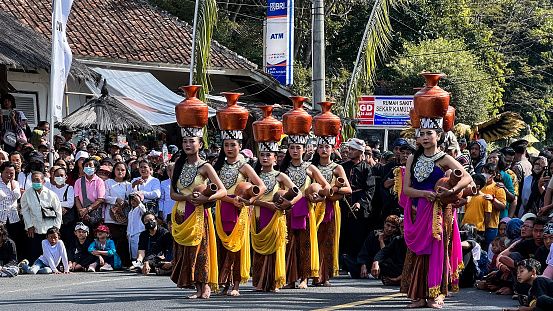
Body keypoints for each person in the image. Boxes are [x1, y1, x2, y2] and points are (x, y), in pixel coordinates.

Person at [401, 121, 472, 308]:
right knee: (419, 252)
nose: (424, 137)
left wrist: (452, 191)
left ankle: (436, 294)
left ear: (438, 136)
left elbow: (467, 177)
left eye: (429, 133)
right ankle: (419, 295)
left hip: (439, 211)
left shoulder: (444, 158)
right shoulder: (412, 159)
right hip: (418, 209)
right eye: (421, 134)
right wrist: (424, 194)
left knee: (437, 252)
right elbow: (407, 190)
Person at [170, 127, 226, 299]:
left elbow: (222, 191)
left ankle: (205, 287)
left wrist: (204, 199)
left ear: (200, 144)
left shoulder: (206, 166)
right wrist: (187, 197)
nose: (188, 144)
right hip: (181, 213)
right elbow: (173, 194)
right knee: (186, 252)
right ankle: (195, 286)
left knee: (200, 251)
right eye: (185, 141)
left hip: (199, 214)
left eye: (191, 141)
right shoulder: (177, 164)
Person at [212, 128, 266, 296]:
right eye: (226, 145)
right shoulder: (218, 166)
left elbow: (261, 186)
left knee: (237, 247)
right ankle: (225, 284)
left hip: (238, 209)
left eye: (233, 145)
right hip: (222, 208)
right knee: (222, 246)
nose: (229, 148)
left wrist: (249, 201)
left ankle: (235, 285)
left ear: (240, 146)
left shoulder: (244, 166)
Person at [279, 136, 330, 290]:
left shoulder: (310, 167)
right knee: (289, 245)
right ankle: (290, 279)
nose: (295, 151)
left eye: (298, 147)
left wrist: (319, 196)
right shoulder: (284, 169)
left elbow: (326, 186)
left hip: (305, 209)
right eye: (292, 147)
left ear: (304, 149)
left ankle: (304, 278)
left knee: (305, 244)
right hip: (287, 208)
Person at [251, 145, 301, 292]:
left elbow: (297, 193)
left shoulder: (280, 176)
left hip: (276, 216)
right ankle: (260, 282)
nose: (265, 158)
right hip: (260, 214)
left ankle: (274, 282)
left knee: (275, 249)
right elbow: (248, 199)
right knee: (260, 249)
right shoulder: (255, 176)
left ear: (275, 158)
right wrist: (266, 204)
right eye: (262, 155)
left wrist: (289, 203)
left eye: (268, 155)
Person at [311, 139, 352, 286]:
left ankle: (326, 276)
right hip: (314, 207)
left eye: (327, 147)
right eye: (320, 147)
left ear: (332, 149)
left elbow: (348, 189)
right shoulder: (312, 167)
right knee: (314, 241)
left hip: (330, 207)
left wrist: (334, 190)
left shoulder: (337, 168)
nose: (323, 150)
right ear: (316, 150)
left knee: (328, 241)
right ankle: (314, 274)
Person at [340, 138, 376, 260]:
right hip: (343, 205)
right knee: (341, 234)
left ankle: (355, 263)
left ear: (361, 152)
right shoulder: (342, 167)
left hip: (359, 208)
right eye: (349, 149)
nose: (349, 152)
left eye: (353, 149)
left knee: (357, 237)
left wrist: (360, 203)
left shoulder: (367, 168)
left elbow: (370, 189)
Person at [20, 171, 62, 263]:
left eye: (37, 180)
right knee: (34, 252)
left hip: (49, 228)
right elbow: (25, 211)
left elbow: (58, 211)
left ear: (43, 181)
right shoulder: (27, 194)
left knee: (49, 253)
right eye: (33, 180)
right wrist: (29, 226)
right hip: (34, 228)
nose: (35, 182)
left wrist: (56, 227)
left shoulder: (51, 194)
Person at [341, 215, 400, 279]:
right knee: (345, 258)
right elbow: (365, 250)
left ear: (396, 229)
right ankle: (364, 273)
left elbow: (385, 255)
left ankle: (363, 274)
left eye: (393, 227)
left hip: (382, 266)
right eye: (388, 225)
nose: (389, 229)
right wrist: (363, 265)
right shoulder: (374, 234)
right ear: (384, 224)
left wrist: (381, 241)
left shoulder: (395, 239)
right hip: (369, 265)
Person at [103, 161, 132, 267]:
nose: (120, 172)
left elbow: (131, 199)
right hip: (110, 216)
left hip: (123, 216)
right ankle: (111, 263)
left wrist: (125, 203)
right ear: (114, 170)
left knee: (123, 240)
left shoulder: (128, 185)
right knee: (112, 240)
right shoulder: (108, 183)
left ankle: (123, 262)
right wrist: (117, 200)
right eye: (118, 169)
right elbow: (104, 197)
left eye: (123, 170)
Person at [371, 218, 407, 286]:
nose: (404, 230)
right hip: (399, 268)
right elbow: (383, 252)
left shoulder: (416, 241)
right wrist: (375, 263)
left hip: (411, 269)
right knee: (382, 264)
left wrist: (396, 279)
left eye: (406, 227)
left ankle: (398, 281)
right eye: (402, 227)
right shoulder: (397, 240)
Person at [481, 163, 507, 246]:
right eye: (483, 172)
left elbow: (502, 207)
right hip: (478, 224)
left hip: (491, 226)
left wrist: (493, 200)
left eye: (487, 172)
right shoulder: (478, 186)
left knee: (489, 248)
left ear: (494, 174)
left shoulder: (498, 188)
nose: (485, 174)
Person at [74, 158, 105, 229]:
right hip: (82, 213)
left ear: (95, 168)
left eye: (90, 165)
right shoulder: (78, 182)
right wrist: (82, 212)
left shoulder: (99, 181)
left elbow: (101, 199)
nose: (88, 167)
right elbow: (76, 198)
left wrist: (88, 209)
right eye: (86, 165)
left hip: (95, 213)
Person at [47, 167, 75, 245]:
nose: (59, 177)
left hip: (67, 220)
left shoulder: (69, 188)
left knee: (68, 240)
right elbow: (48, 203)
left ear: (66, 177)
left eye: (61, 175)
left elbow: (70, 203)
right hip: (54, 220)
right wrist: (60, 207)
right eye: (57, 175)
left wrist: (56, 204)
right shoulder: (51, 189)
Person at [0, 162, 21, 259]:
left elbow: (17, 195)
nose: (9, 175)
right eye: (7, 172)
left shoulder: (15, 183)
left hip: (13, 217)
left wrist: (12, 181)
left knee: (13, 239)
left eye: (11, 173)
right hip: (1, 217)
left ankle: (13, 260)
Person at [462, 174, 492, 239]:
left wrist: (484, 228)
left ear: (477, 187)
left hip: (478, 229)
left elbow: (488, 216)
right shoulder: (468, 197)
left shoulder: (485, 198)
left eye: (470, 184)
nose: (468, 186)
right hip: (466, 227)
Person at [488, 150, 517, 218]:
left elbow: (512, 199)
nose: (491, 159)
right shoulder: (483, 176)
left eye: (494, 157)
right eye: (489, 158)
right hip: (485, 214)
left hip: (501, 215)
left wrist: (505, 189)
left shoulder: (506, 177)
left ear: (500, 160)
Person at [127, 191, 146, 262]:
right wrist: (127, 233)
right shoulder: (130, 211)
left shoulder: (139, 209)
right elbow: (129, 223)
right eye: (132, 200)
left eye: (135, 200)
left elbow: (144, 211)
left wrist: (139, 202)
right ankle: (134, 263)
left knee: (138, 248)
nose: (133, 202)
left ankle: (139, 262)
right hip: (131, 233)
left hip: (138, 232)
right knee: (132, 249)